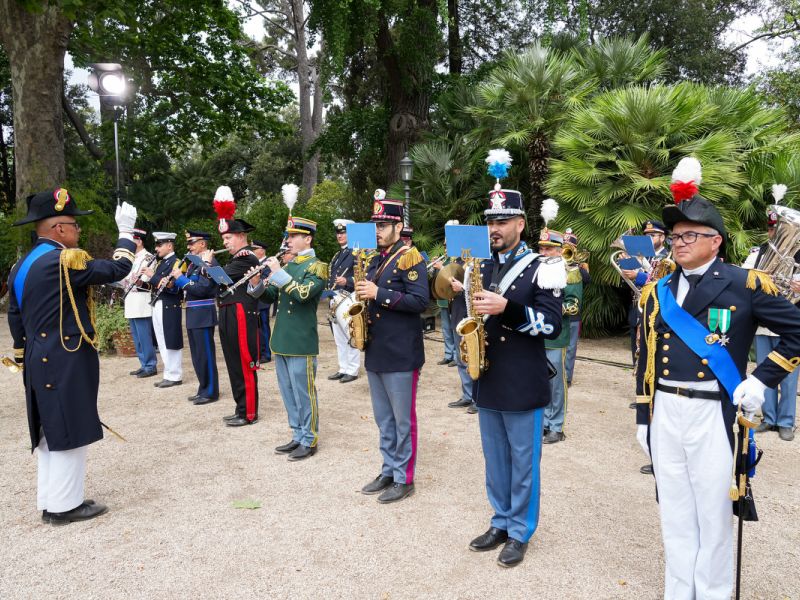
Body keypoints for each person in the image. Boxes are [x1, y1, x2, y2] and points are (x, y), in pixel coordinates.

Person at [635, 158, 800, 598]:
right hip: (666, 410)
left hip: (712, 412)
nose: (678, 243)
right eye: (674, 236)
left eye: (690, 235)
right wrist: (641, 414)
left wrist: (762, 379)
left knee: (712, 514)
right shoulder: (658, 292)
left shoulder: (745, 284)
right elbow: (645, 354)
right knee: (673, 511)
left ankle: (711, 593)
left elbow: (797, 330)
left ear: (716, 241)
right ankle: (678, 591)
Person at [7, 189, 138, 524]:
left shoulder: (22, 265)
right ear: (59, 229)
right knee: (69, 425)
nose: (79, 231)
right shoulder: (63, 260)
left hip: (40, 354)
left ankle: (53, 499)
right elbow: (117, 269)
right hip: (65, 354)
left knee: (51, 429)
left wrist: (23, 351)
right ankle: (65, 506)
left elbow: (15, 316)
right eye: (75, 225)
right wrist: (126, 233)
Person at [466, 184, 564, 568]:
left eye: (503, 221)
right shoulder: (482, 265)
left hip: (523, 378)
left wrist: (508, 309)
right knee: (495, 458)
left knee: (524, 461)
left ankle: (521, 530)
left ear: (521, 224)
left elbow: (552, 327)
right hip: (488, 376)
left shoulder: (545, 268)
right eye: (491, 220)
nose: (495, 228)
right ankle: (500, 521)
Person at [357, 191, 429, 504]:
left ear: (399, 227)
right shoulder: (377, 259)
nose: (377, 230)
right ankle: (388, 468)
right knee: (384, 419)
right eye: (375, 225)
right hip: (377, 350)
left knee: (402, 420)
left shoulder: (410, 257)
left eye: (383, 225)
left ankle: (404, 477)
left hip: (401, 352)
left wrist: (378, 292)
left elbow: (419, 301)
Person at [248, 216, 327, 460]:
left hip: (301, 339)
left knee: (304, 393)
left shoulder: (316, 266)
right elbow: (270, 296)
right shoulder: (289, 266)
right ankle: (297, 434)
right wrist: (256, 282)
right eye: (288, 236)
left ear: (307, 238)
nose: (288, 240)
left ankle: (309, 438)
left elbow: (303, 294)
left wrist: (278, 272)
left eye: (293, 236)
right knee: (288, 391)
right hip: (282, 338)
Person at [742, 207, 800, 442]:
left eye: (777, 228)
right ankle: (768, 417)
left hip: (790, 319)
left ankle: (786, 421)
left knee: (787, 374)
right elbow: (745, 277)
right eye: (771, 228)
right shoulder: (758, 252)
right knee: (763, 368)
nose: (773, 231)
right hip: (763, 323)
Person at [210, 186, 261, 427]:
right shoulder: (235, 258)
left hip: (240, 313)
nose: (225, 242)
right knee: (232, 362)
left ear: (241, 236)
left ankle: (249, 412)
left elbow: (221, 279)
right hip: (229, 311)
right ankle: (240, 408)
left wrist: (208, 264)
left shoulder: (246, 258)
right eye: (224, 239)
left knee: (243, 362)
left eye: (228, 238)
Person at [538, 229, 580, 444]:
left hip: (557, 334)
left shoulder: (570, 272)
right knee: (539, 380)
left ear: (559, 250)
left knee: (556, 382)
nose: (544, 252)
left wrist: (549, 309)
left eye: (549, 249)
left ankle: (556, 426)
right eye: (541, 248)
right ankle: (543, 422)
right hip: (536, 333)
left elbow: (573, 305)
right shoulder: (535, 269)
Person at [174, 230, 219, 405]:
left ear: (203, 244)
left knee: (206, 355)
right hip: (193, 313)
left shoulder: (210, 263)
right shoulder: (194, 264)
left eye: (192, 243)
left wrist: (180, 280)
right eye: (189, 243)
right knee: (197, 356)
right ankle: (203, 388)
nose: (189, 247)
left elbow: (203, 288)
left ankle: (210, 391)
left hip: (203, 313)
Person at [621, 220, 669, 363]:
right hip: (637, 308)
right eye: (646, 235)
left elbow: (664, 281)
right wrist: (626, 264)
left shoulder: (668, 257)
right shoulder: (641, 256)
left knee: (654, 355)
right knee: (636, 356)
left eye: (653, 235)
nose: (648, 239)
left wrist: (638, 276)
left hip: (656, 309)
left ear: (663, 237)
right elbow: (626, 283)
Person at [141, 232, 183, 388]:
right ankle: (169, 373)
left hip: (170, 304)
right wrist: (142, 281)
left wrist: (152, 276)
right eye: (156, 245)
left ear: (169, 245)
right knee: (161, 340)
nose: (156, 248)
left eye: (159, 245)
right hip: (158, 303)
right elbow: (156, 285)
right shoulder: (160, 263)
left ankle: (175, 374)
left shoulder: (177, 262)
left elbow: (173, 288)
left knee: (171, 339)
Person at [326, 219, 360, 383]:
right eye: (338, 233)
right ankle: (343, 368)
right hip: (335, 297)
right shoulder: (338, 254)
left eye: (343, 232)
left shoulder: (357, 252)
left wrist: (348, 281)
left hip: (349, 297)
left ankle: (352, 370)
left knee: (350, 333)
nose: (340, 235)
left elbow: (364, 274)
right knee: (339, 337)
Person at [121, 228, 157, 378]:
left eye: (132, 241)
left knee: (144, 335)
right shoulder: (131, 258)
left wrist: (132, 280)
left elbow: (147, 281)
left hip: (141, 299)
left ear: (139, 241)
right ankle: (143, 363)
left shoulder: (148, 258)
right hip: (130, 299)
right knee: (136, 335)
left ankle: (150, 365)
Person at [562, 228, 589, 386]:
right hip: (556, 311)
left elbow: (587, 279)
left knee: (571, 347)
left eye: (568, 246)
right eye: (563, 245)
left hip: (573, 314)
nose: (565, 249)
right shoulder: (553, 264)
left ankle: (567, 377)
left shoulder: (579, 267)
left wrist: (575, 265)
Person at [250, 240, 273, 364]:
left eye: (255, 249)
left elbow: (266, 280)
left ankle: (266, 353)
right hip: (253, 300)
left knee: (263, 327)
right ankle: (258, 352)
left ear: (262, 250)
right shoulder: (254, 263)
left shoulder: (268, 263)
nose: (253, 251)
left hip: (263, 300)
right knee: (255, 328)